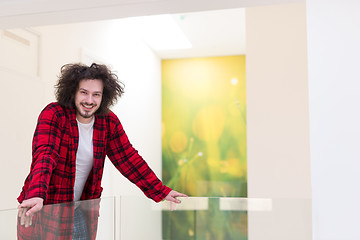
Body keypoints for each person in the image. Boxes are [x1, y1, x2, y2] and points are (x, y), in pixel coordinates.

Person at [17, 63, 187, 239]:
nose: (89, 101)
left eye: (96, 94)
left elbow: (128, 158)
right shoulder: (54, 113)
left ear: (103, 97)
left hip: (80, 211)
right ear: (73, 91)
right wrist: (36, 194)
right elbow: (45, 154)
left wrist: (161, 191)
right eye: (84, 92)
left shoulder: (108, 122)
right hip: (44, 208)